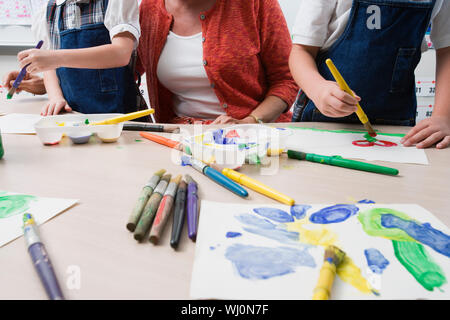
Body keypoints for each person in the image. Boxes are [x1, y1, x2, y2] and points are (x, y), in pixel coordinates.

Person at [289, 0, 450, 149]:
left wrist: (442, 116)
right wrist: (317, 89)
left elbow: (447, 50)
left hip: (396, 122)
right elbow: (301, 51)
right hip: (324, 119)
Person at [136, 0, 299, 124]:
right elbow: (126, 72)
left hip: (257, 139)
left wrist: (249, 122)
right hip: (181, 141)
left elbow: (287, 79)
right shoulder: (149, 9)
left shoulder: (254, 4)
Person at [14, 0, 145, 116]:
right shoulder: (49, 11)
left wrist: (55, 57)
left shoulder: (114, 2)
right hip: (73, 114)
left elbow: (121, 53)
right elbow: (50, 68)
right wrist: (56, 97)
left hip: (119, 115)